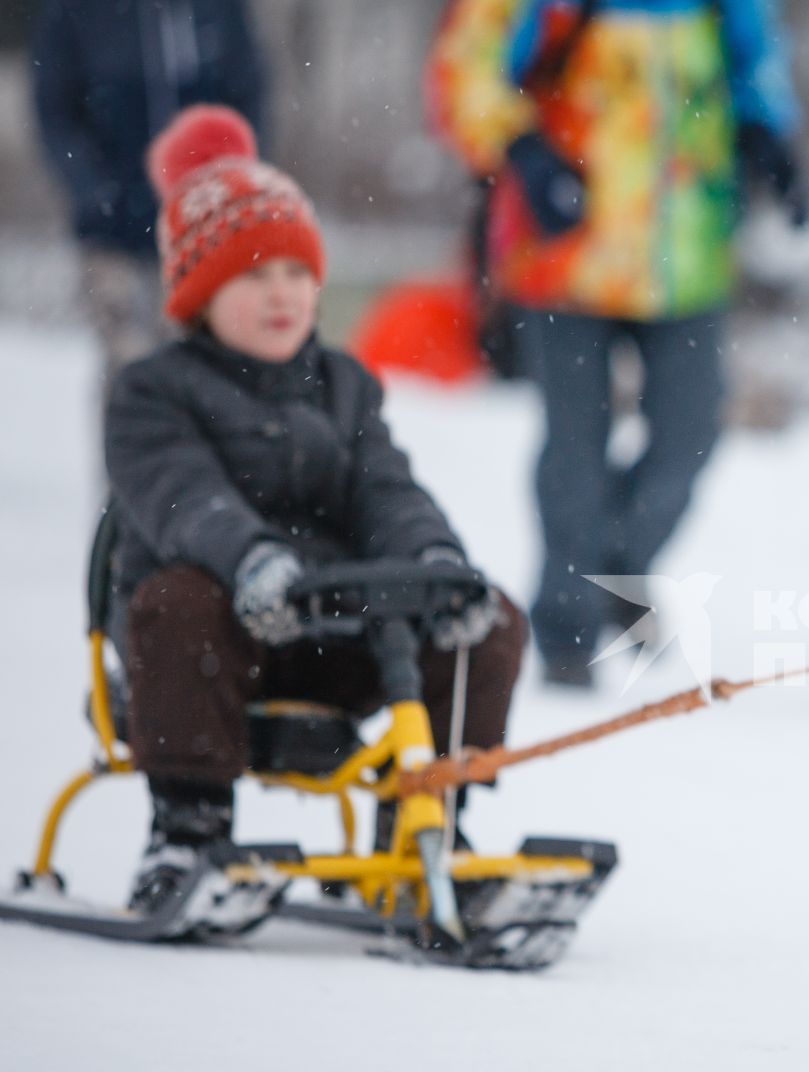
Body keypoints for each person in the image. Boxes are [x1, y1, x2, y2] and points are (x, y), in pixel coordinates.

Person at [105, 105, 525, 908]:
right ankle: (188, 833)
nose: (282, 295)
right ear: (198, 290)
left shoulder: (344, 385)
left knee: (488, 620)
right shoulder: (150, 394)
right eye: (253, 275)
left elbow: (385, 487)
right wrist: (255, 561)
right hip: (219, 645)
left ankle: (428, 816)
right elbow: (185, 497)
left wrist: (436, 563)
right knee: (180, 604)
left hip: (343, 631)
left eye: (297, 274)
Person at [427, 0, 807, 687]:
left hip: (688, 251)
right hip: (565, 254)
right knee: (576, 443)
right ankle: (568, 631)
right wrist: (524, 150)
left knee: (690, 433)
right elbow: (467, 67)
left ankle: (612, 570)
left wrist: (771, 140)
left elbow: (758, 63)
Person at [31, 0, 268, 384]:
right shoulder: (77, 10)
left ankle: (186, 443)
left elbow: (248, 95)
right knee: (128, 368)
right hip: (110, 230)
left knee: (196, 369)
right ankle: (128, 440)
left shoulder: (219, 9)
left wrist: (231, 182)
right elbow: (54, 109)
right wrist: (94, 190)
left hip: (200, 226)